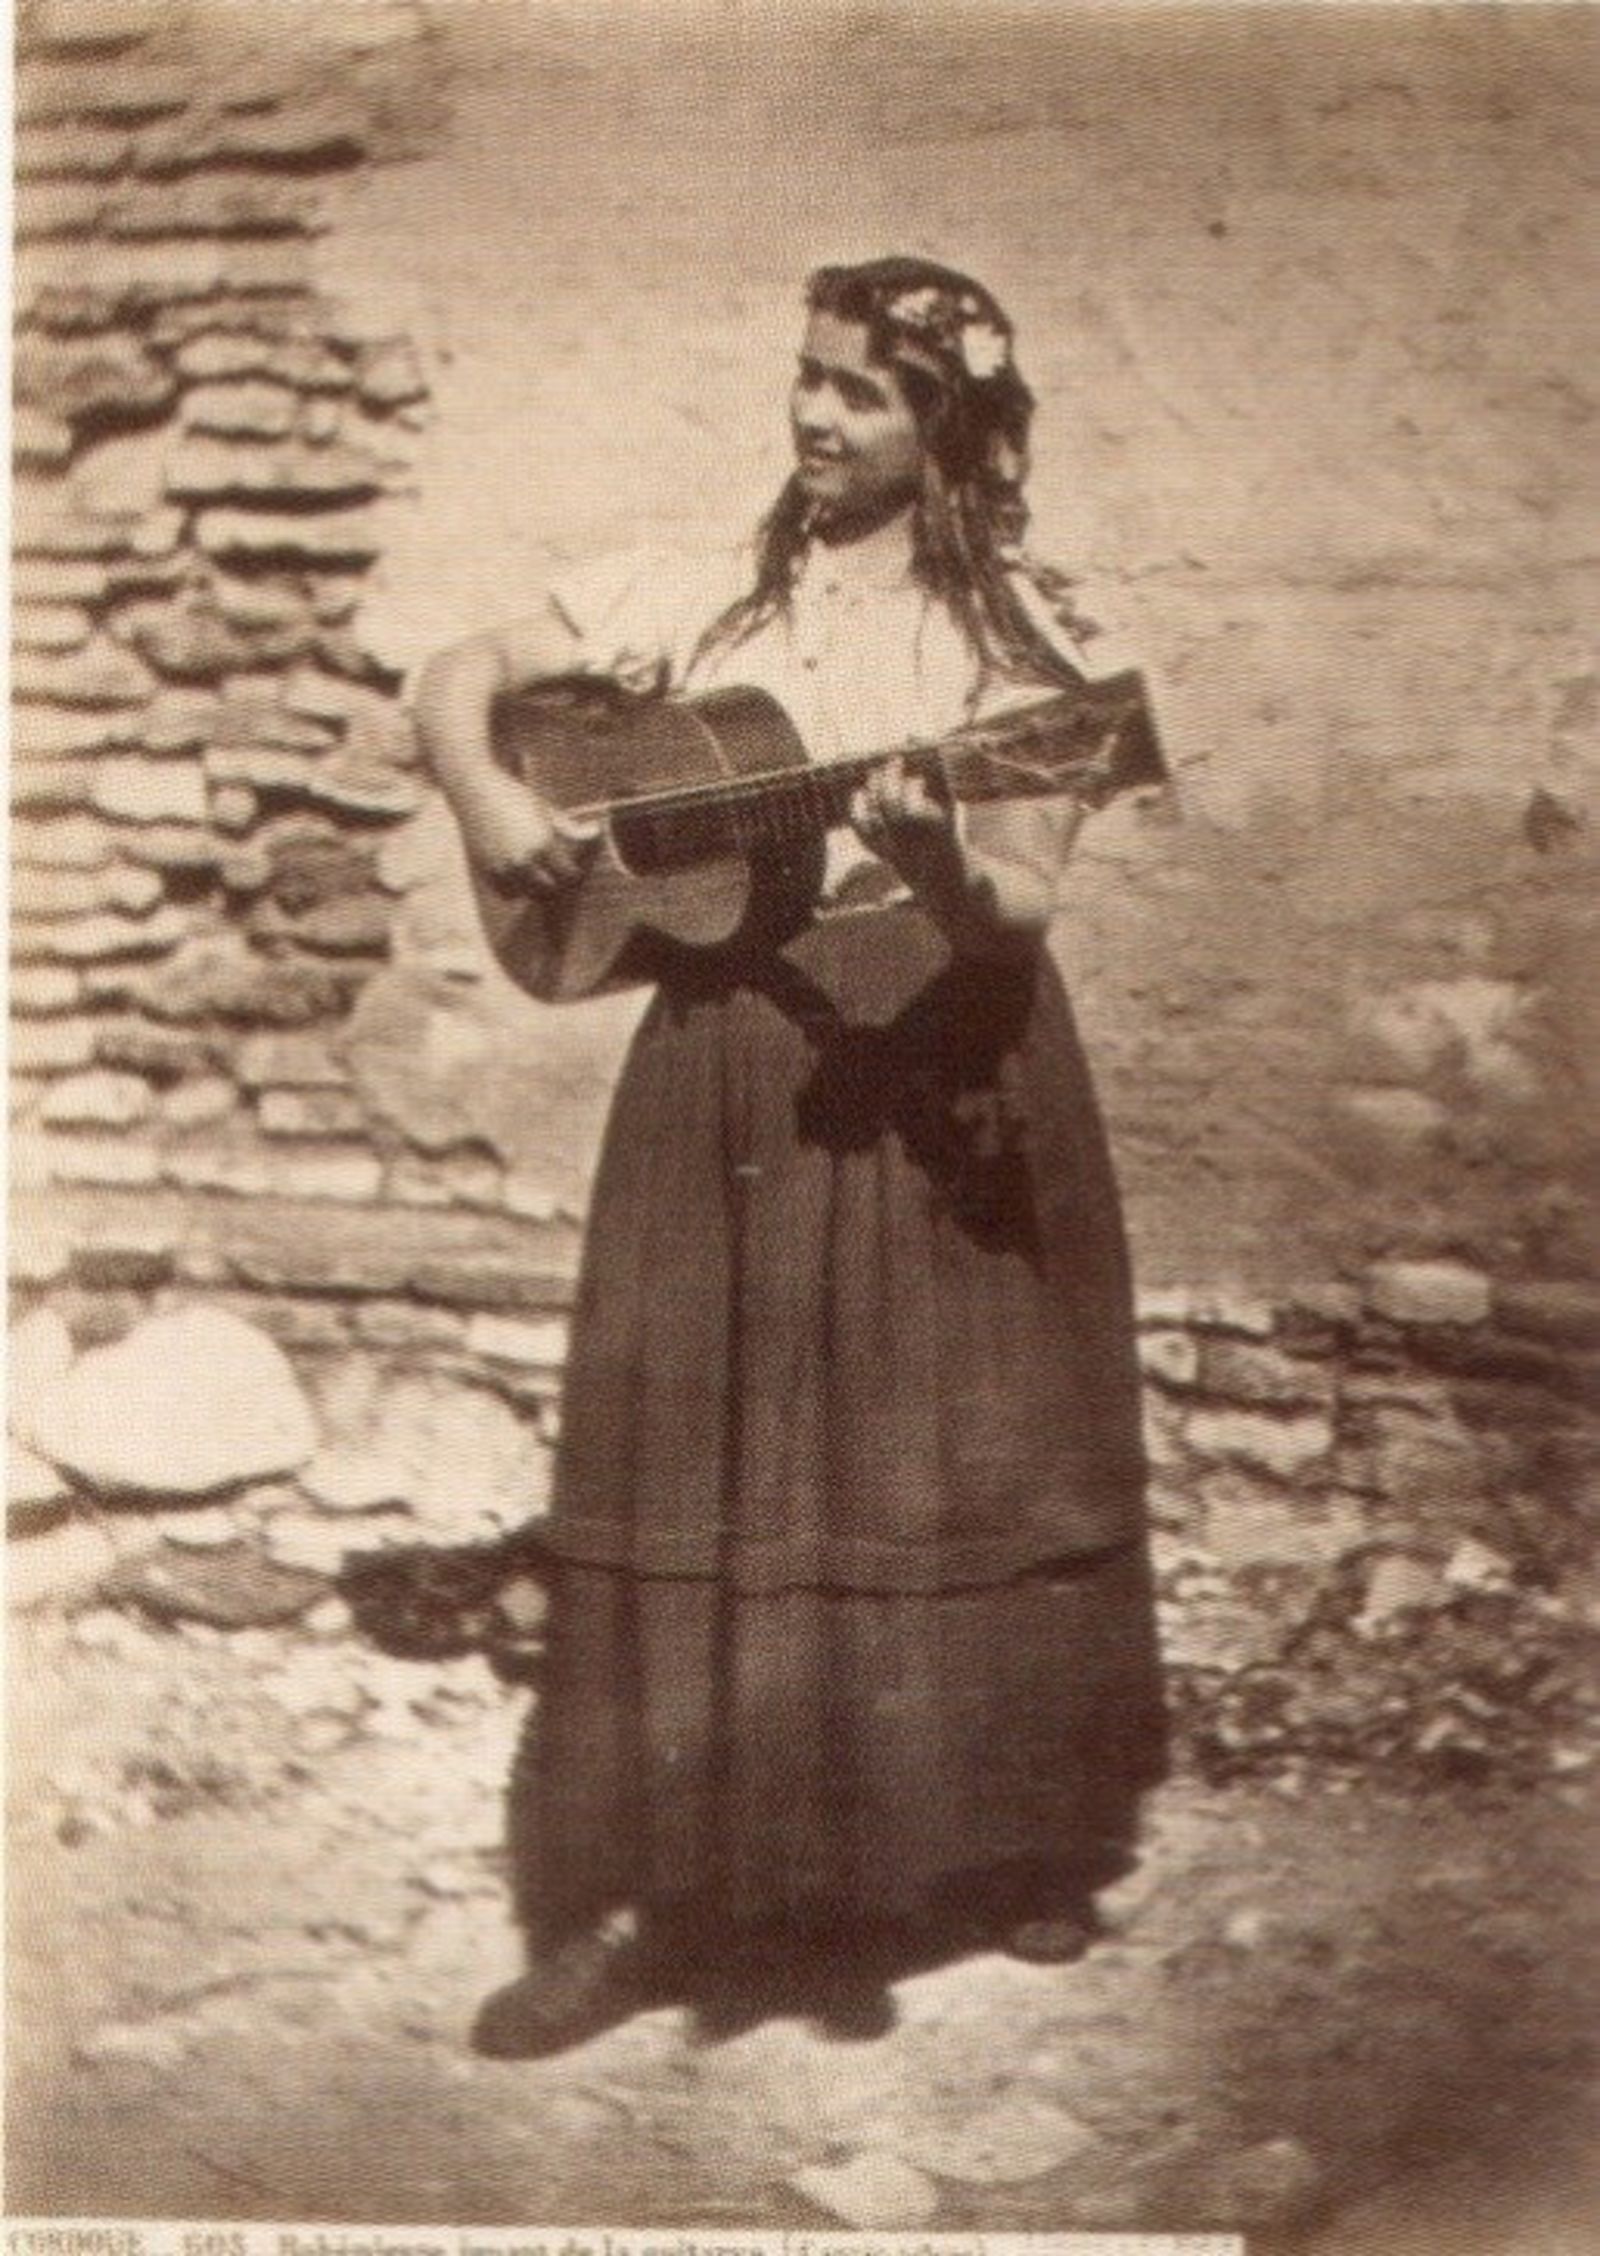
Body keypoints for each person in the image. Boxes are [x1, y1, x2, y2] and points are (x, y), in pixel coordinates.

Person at [415, 256, 1168, 2058]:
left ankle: (1001, 1843)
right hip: (727, 1064)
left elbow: (1020, 907)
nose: (815, 416)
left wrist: (931, 867)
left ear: (949, 431)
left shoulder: (1025, 650)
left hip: (942, 1065)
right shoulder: (692, 596)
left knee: (953, 1442)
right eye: (808, 378)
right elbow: (456, 674)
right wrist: (494, 796)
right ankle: (669, 1909)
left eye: (864, 394)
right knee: (706, 1442)